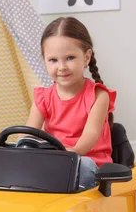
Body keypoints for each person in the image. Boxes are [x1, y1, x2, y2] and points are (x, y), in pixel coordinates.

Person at [26, 17, 116, 189]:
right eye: (53, 60)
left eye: (69, 58)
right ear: (44, 60)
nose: (61, 67)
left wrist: (62, 157)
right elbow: (28, 134)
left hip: (89, 163)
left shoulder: (98, 96)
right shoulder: (43, 97)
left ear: (87, 57)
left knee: (82, 167)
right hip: (54, 162)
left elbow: (88, 139)